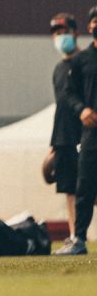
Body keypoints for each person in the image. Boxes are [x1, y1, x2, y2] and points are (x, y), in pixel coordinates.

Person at [59, 6, 97, 255]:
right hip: (93, 134)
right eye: (94, 21)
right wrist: (82, 109)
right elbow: (69, 93)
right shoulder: (82, 60)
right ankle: (79, 239)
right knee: (85, 186)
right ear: (89, 27)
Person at [48, 13, 82, 243]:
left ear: (75, 33)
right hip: (64, 136)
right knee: (70, 188)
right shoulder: (59, 69)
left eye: (64, 32)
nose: (61, 37)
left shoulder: (87, 62)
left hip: (87, 132)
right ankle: (75, 234)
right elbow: (60, 106)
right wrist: (54, 144)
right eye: (57, 34)